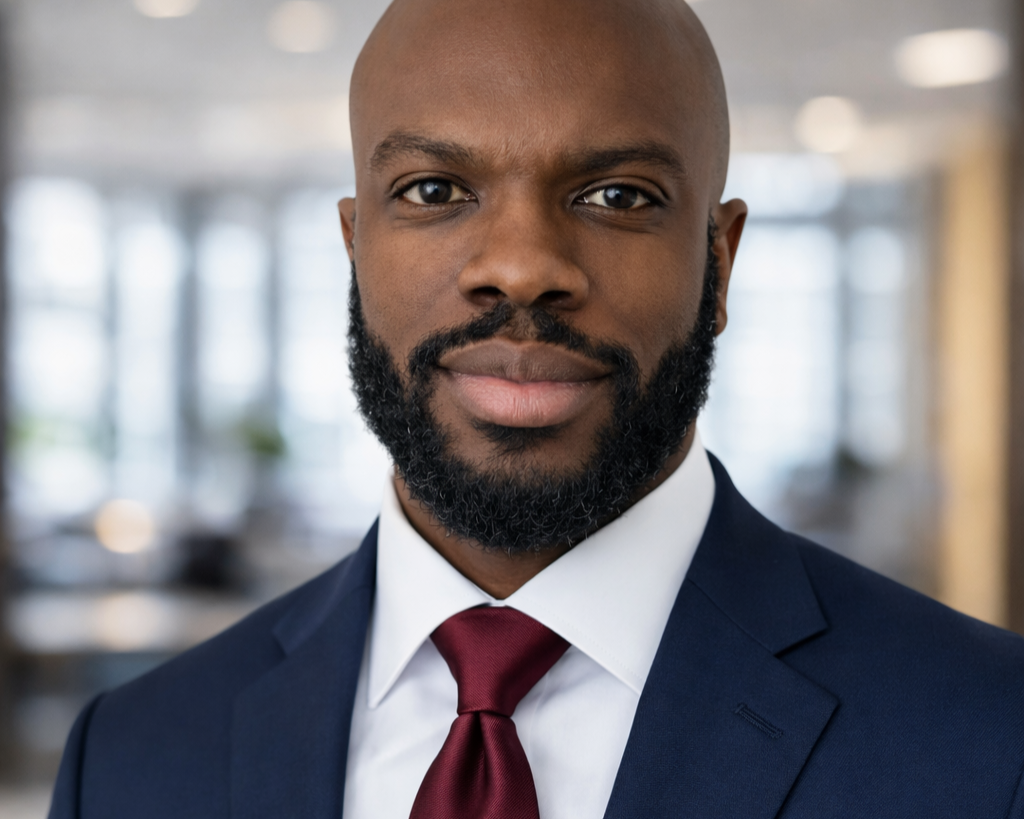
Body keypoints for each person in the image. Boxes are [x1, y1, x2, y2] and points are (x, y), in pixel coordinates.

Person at [49, 0, 1024, 816]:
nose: (519, 266)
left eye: (617, 196)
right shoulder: (132, 758)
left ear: (717, 265)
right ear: (355, 251)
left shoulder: (990, 738)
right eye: (433, 189)